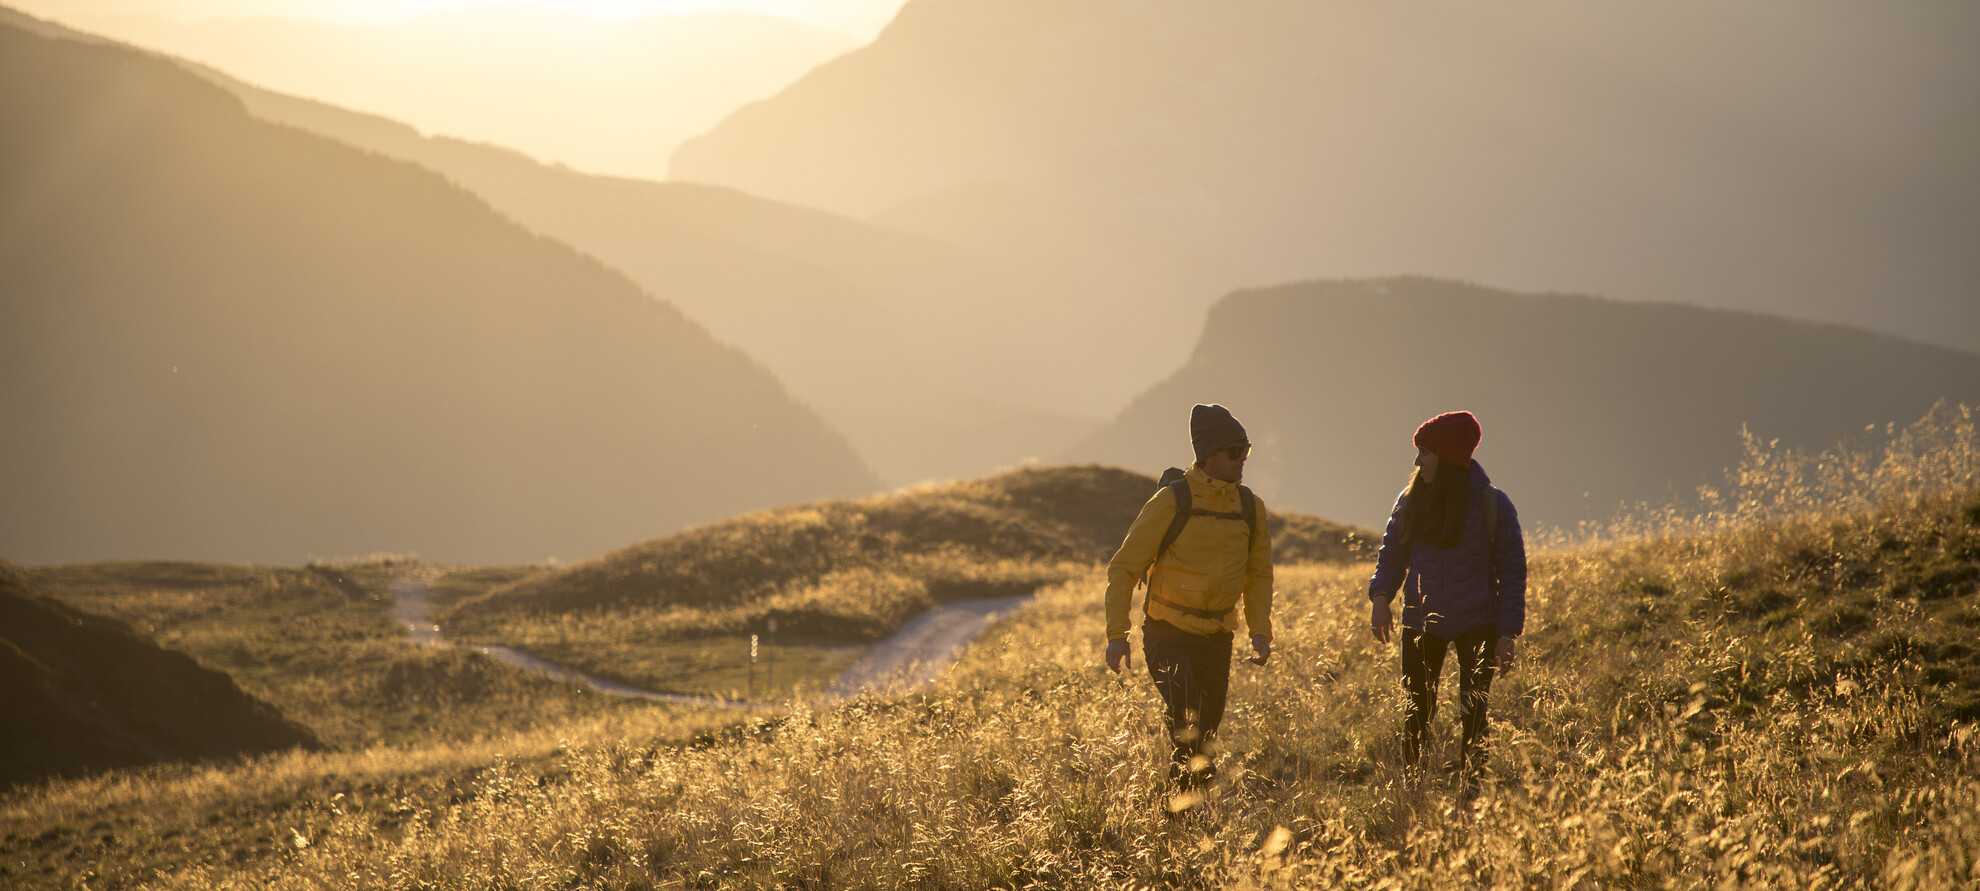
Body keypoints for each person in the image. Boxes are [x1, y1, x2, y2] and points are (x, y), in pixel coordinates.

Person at [1105, 403, 1274, 790]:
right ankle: (1180, 816)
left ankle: (1180, 817)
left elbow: (1259, 574)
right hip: (1167, 633)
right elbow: (1124, 567)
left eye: (1246, 450)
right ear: (1209, 455)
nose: (1242, 459)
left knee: (1204, 742)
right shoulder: (1172, 501)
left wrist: (1260, 630)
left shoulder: (1251, 508)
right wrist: (1118, 634)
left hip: (1217, 637)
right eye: (1235, 452)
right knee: (1190, 721)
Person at [1367, 410, 1526, 798]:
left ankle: (1471, 793)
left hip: (1479, 623)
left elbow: (1513, 573)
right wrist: (1380, 599)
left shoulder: (1493, 506)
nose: (1417, 462)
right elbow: (1392, 556)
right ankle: (1413, 788)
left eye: (1424, 452)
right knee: (1415, 712)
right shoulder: (1410, 501)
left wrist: (1507, 633)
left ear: (1448, 457)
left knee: (1474, 714)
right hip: (1420, 622)